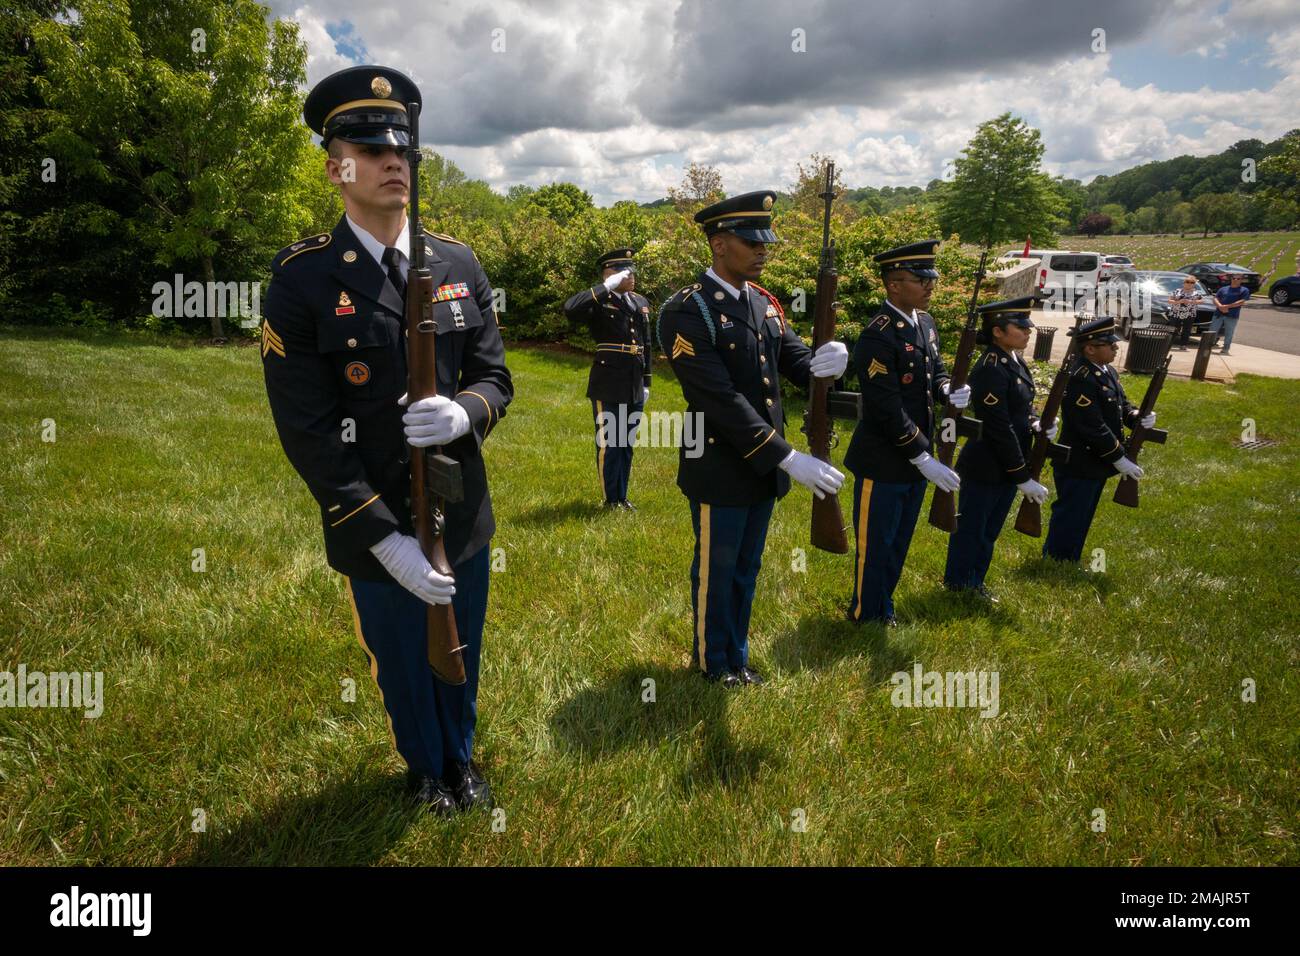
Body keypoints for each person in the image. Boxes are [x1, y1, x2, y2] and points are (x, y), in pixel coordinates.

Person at [261, 66, 513, 814]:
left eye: (402, 148)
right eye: (370, 149)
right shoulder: (302, 281)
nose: (393, 161)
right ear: (335, 165)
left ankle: (461, 760)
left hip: (459, 509)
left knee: (461, 644)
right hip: (376, 519)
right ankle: (424, 769)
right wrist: (381, 535)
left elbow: (497, 375)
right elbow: (306, 430)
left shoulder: (458, 262)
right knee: (404, 657)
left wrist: (466, 411)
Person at [657, 191, 849, 687]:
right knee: (717, 571)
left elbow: (793, 361)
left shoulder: (763, 304)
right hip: (720, 465)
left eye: (765, 242)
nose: (764, 251)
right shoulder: (688, 311)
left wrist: (825, 365)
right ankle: (711, 660)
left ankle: (735, 656)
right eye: (751, 242)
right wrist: (787, 457)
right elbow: (718, 399)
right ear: (719, 245)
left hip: (762, 468)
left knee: (746, 567)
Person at [843, 240, 971, 626]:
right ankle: (866, 612)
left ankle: (884, 604)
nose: (930, 286)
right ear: (894, 285)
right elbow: (886, 408)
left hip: (918, 459)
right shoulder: (879, 335)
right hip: (884, 459)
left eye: (930, 278)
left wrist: (948, 388)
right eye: (921, 280)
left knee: (898, 541)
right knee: (875, 543)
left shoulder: (925, 323)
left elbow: (935, 372)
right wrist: (921, 455)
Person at [943, 297, 1054, 601]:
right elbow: (998, 426)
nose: (1027, 332)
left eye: (1027, 327)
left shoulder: (1014, 360)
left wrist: (1034, 422)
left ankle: (975, 581)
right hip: (987, 464)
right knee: (973, 530)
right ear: (997, 332)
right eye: (1020, 327)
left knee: (989, 530)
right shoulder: (991, 367)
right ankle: (959, 584)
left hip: (1006, 462)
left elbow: (1019, 410)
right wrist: (1021, 474)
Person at [1042, 316, 1152, 564]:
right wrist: (1119, 457)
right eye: (1109, 345)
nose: (1115, 348)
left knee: (1084, 513)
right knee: (1072, 513)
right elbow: (1091, 426)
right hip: (1079, 460)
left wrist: (1136, 416)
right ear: (1089, 349)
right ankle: (1057, 558)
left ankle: (1070, 557)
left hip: (1095, 461)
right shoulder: (1081, 377)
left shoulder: (1107, 371)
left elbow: (1120, 405)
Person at [563, 249, 652, 510]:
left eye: (633, 270)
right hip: (609, 379)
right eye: (626, 272)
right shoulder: (600, 300)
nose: (632, 276)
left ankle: (622, 495)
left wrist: (647, 382)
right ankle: (610, 499)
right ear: (610, 274)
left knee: (626, 443)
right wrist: (605, 287)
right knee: (610, 443)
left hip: (634, 379)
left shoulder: (639, 301)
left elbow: (646, 342)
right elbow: (570, 309)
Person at [1212, 273, 1250, 355]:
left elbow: (1241, 302)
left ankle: (1225, 349)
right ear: (1231, 279)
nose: (1235, 280)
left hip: (1232, 316)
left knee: (1229, 333)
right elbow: (1215, 298)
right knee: (1212, 331)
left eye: (1238, 278)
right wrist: (1220, 306)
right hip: (1218, 314)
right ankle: (1207, 346)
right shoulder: (1223, 289)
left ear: (1241, 280)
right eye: (1234, 278)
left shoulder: (1244, 290)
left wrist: (1227, 307)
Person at [1167, 275, 1203, 350]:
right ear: (1184, 283)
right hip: (1176, 313)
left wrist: (1191, 301)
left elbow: (1201, 301)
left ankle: (1183, 345)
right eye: (1187, 282)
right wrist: (1179, 301)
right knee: (1173, 329)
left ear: (1194, 284)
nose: (1189, 283)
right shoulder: (1177, 291)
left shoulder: (1197, 293)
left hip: (1189, 314)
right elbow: (1169, 300)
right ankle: (1169, 343)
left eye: (1192, 282)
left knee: (1186, 330)